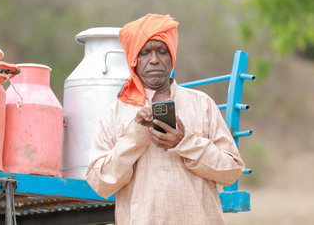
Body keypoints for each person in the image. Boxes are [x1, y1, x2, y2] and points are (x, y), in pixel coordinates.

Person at [86, 13, 245, 225]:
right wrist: (135, 136)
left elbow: (231, 172)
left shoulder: (201, 104)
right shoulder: (115, 114)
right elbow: (101, 184)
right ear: (133, 59)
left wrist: (185, 143)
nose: (154, 60)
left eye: (161, 51)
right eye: (144, 53)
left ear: (171, 56)